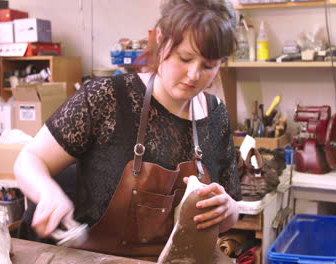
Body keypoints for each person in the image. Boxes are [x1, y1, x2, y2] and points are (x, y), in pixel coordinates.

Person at [14, 0, 241, 261]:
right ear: (161, 39)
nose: (193, 74)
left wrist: (227, 210)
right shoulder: (107, 98)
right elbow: (30, 159)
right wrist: (47, 193)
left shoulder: (217, 116)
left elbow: (228, 216)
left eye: (208, 65)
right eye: (185, 58)